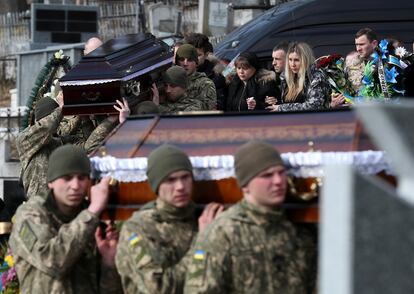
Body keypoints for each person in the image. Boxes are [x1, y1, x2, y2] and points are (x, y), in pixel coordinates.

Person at [184, 140, 317, 293]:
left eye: (281, 173)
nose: (278, 181)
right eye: (267, 175)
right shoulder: (223, 232)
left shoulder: (300, 228)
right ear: (245, 185)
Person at [9, 144, 122, 293]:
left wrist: (108, 264)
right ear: (51, 182)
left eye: (82, 178)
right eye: (67, 178)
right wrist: (92, 212)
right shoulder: (30, 214)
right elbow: (54, 261)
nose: (75, 185)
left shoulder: (91, 217)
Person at [116, 144, 223, 293]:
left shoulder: (203, 217)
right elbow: (159, 288)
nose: (180, 186)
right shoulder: (138, 228)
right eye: (170, 180)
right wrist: (203, 243)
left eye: (185, 177)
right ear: (157, 185)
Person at [17, 95, 129, 199]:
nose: (58, 123)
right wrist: (61, 109)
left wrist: (110, 120)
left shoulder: (59, 141)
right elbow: (45, 127)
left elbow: (88, 148)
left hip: (61, 204)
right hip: (38, 208)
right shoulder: (25, 140)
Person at [267, 42, 330, 112]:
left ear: (305, 60)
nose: (292, 64)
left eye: (296, 60)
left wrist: (281, 108)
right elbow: (284, 102)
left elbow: (314, 106)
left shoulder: (316, 77)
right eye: (290, 60)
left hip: (311, 121)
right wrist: (274, 101)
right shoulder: (285, 77)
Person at [185, 33, 227, 110]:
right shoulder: (177, 72)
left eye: (198, 55)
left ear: (206, 55)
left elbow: (218, 106)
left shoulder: (216, 78)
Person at [175, 44, 217, 110]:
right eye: (181, 59)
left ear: (196, 62)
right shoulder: (172, 81)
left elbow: (207, 109)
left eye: (189, 60)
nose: (185, 63)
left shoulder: (205, 84)